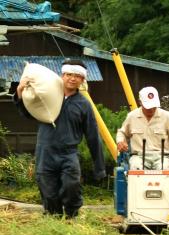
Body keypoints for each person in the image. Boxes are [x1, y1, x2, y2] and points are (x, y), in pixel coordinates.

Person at [14, 59, 106, 218]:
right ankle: (53, 219)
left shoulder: (83, 104)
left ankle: (72, 217)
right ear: (62, 75)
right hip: (45, 151)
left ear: (82, 80)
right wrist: (19, 92)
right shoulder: (47, 95)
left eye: (77, 76)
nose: (72, 78)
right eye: (69, 74)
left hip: (68, 153)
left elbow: (92, 135)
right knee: (48, 192)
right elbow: (27, 113)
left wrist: (99, 168)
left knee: (71, 187)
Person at [116, 86, 169, 170]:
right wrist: (120, 141)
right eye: (148, 106)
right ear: (140, 102)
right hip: (139, 156)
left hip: (163, 156)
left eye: (153, 106)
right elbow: (122, 133)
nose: (151, 109)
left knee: (164, 168)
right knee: (135, 168)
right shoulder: (132, 117)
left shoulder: (167, 117)